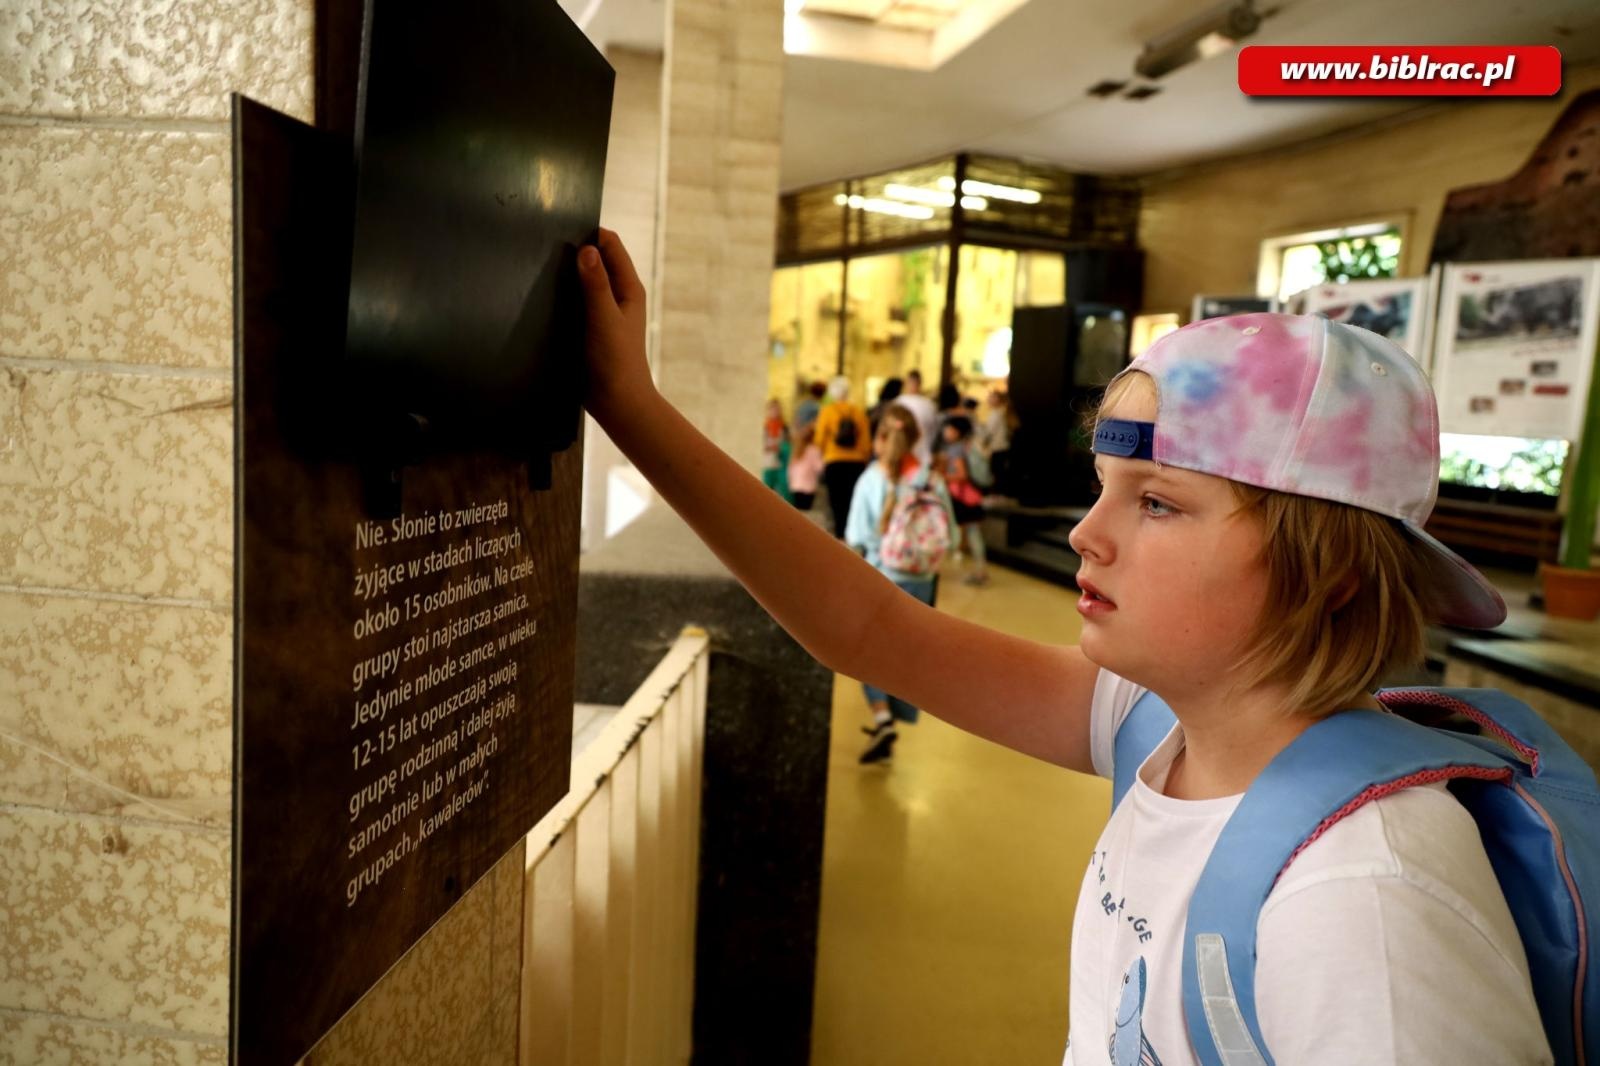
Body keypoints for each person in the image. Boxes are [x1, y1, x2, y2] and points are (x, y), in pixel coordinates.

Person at [575, 232, 1549, 1064]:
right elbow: (869, 629)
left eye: (1157, 502)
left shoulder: (1363, 892)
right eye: (1103, 486)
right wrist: (633, 410)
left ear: (1330, 570)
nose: (1087, 533)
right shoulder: (1155, 725)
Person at [844, 403, 955, 763]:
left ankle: (882, 717)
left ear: (880, 438)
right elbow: (950, 534)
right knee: (905, 654)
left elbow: (857, 538)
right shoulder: (931, 479)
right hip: (921, 580)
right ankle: (890, 720)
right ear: (915, 438)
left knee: (869, 655)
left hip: (881, 578)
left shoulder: (870, 480)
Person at [812, 375, 872, 538]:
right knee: (852, 501)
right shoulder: (858, 412)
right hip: (856, 462)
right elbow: (866, 443)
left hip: (834, 461)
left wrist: (826, 452)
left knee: (837, 502)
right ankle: (852, 536)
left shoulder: (827, 411)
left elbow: (819, 440)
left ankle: (840, 536)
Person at [939, 415, 989, 586]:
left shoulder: (955, 450)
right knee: (973, 533)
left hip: (963, 497)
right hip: (970, 496)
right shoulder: (965, 446)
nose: (945, 432)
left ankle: (980, 571)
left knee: (973, 533)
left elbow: (961, 475)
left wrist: (943, 476)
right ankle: (980, 570)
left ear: (956, 431)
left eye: (948, 428)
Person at [895, 368, 939, 466]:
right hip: (915, 453)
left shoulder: (900, 402)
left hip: (917, 453)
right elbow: (934, 430)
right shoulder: (929, 404)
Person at [787, 423, 824, 512]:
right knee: (806, 513)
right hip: (808, 486)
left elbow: (790, 468)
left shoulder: (796, 450)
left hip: (795, 485)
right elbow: (819, 467)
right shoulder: (814, 450)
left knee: (798, 511)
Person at [760, 398, 790, 502]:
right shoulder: (765, 426)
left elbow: (787, 444)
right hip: (769, 463)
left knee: (781, 492)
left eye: (777, 409)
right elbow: (763, 444)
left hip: (781, 464)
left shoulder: (784, 427)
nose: (775, 412)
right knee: (767, 491)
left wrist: (781, 448)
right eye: (772, 409)